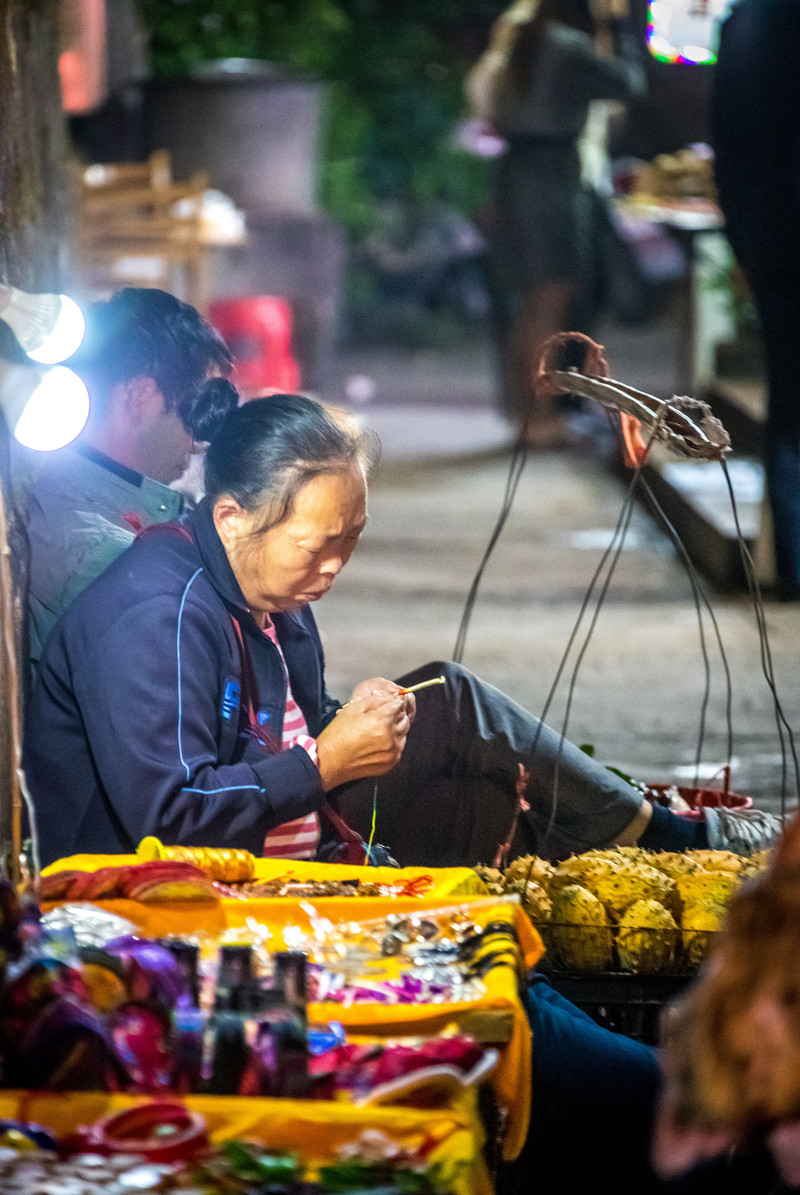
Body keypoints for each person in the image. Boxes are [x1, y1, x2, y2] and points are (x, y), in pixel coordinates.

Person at [22, 393, 783, 870]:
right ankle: (677, 845)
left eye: (351, 541)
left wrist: (354, 726)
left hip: (283, 836)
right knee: (456, 713)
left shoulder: (270, 587)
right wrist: (324, 761)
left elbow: (287, 725)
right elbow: (170, 820)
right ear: (231, 517)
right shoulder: (158, 616)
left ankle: (649, 865)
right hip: (149, 898)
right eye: (316, 545)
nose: (334, 567)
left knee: (461, 748)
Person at [25, 286, 239, 667]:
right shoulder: (107, 555)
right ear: (140, 398)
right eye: (197, 412)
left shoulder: (110, 507)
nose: (199, 443)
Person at [476, 0, 645, 445]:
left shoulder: (520, 36)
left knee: (530, 302)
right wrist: (618, 27)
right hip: (551, 176)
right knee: (549, 300)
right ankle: (542, 418)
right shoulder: (565, 45)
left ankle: (526, 414)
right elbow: (629, 83)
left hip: (517, 170)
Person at [711, 0, 800, 601]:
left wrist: (745, 242)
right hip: (778, 245)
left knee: (790, 406)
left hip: (779, 243)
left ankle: (795, 562)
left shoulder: (750, 23)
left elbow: (732, 145)